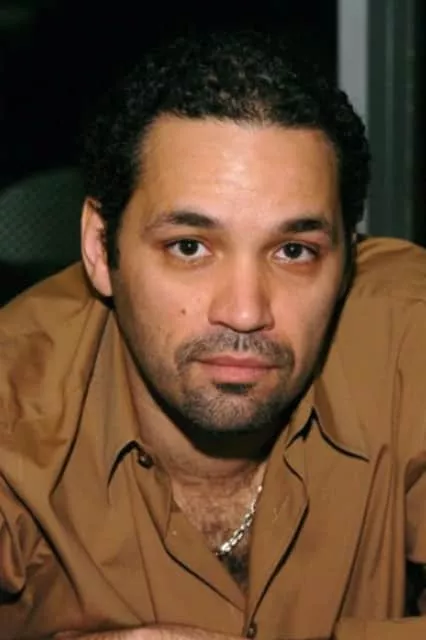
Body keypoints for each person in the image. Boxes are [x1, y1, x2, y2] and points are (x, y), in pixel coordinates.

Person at [0, 29, 425, 640]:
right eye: (189, 247)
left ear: (347, 262)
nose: (245, 312)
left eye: (294, 251)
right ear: (99, 247)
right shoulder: (17, 402)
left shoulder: (408, 336)